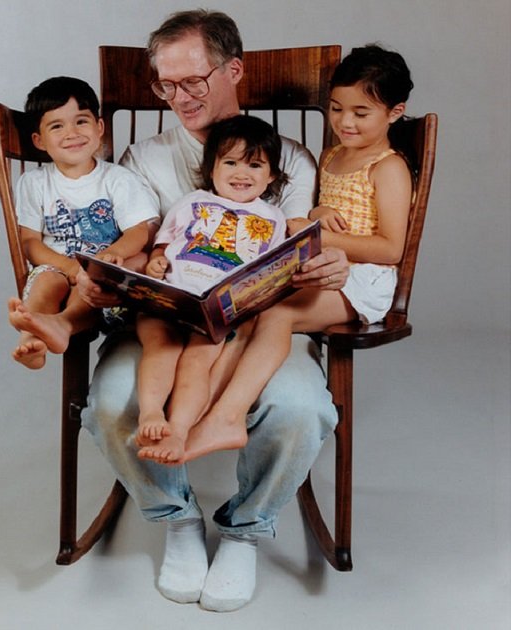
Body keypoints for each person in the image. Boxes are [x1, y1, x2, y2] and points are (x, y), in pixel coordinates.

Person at [73, 10, 352, 612]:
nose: (179, 97)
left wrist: (325, 265)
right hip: (164, 326)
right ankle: (175, 517)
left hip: (256, 326)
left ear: (234, 70)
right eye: (165, 85)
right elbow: (137, 243)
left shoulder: (293, 162)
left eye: (193, 81)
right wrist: (115, 278)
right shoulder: (143, 158)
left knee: (300, 409)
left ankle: (246, 529)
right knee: (115, 404)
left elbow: (301, 241)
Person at [190, 45, 415, 460]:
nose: (345, 122)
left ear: (395, 112)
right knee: (251, 305)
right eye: (335, 109)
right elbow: (325, 213)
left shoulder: (388, 167)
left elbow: (390, 248)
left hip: (364, 279)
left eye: (360, 113)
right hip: (322, 268)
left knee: (276, 312)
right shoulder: (333, 155)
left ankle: (228, 416)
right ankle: (204, 410)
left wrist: (313, 233)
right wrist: (318, 212)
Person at [134, 115, 290, 466]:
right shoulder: (193, 202)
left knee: (196, 363)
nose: (241, 173)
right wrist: (156, 261)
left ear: (272, 175)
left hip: (217, 312)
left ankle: (178, 430)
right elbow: (164, 243)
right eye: (230, 162)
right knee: (161, 347)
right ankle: (151, 415)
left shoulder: (272, 218)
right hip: (170, 298)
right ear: (212, 168)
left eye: (254, 165)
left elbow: (269, 272)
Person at [6, 76, 158, 369]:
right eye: (57, 126)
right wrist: (71, 268)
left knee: (89, 284)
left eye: (81, 121)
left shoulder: (117, 178)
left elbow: (139, 232)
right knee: (47, 280)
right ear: (39, 140)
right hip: (57, 267)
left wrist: (100, 261)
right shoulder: (34, 182)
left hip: (103, 277)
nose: (71, 133)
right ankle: (31, 341)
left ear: (99, 128)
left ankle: (62, 324)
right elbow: (30, 242)